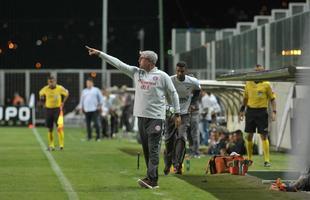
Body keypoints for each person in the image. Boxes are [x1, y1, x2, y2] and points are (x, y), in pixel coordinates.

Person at [86, 46, 181, 189]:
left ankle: (153, 180)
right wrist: (100, 54)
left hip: (156, 118)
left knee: (154, 148)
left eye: (141, 58)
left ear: (149, 61)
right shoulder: (137, 73)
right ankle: (150, 176)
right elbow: (118, 63)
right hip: (141, 118)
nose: (138, 60)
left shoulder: (162, 76)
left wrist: (177, 113)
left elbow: (173, 94)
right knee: (147, 150)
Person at [164, 61, 201, 175]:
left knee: (181, 137)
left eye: (182, 71)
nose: (180, 73)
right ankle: (168, 163)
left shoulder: (192, 82)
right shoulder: (170, 80)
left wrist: (193, 103)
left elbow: (198, 90)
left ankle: (178, 165)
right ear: (176, 70)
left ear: (186, 71)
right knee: (169, 140)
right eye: (178, 71)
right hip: (171, 113)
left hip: (184, 114)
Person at [239, 64, 276, 167]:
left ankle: (267, 160)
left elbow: (272, 99)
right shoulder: (248, 83)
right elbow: (245, 99)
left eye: (260, 71)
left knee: (263, 135)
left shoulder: (267, 84)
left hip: (262, 112)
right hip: (250, 112)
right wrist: (242, 110)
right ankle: (250, 159)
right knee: (249, 135)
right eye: (256, 71)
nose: (258, 73)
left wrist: (274, 112)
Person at [39, 75, 69, 151]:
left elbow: (67, 93)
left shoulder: (60, 88)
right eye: (49, 82)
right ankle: (51, 145)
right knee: (50, 128)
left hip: (57, 109)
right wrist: (42, 100)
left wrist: (63, 102)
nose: (51, 83)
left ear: (55, 81)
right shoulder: (45, 89)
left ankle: (61, 145)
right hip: (48, 110)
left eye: (52, 81)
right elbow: (40, 93)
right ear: (48, 82)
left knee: (59, 127)